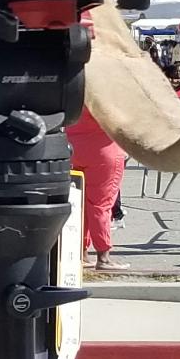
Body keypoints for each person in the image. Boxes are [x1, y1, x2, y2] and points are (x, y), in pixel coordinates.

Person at [67, 102, 131, 270]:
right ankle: (103, 256)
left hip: (72, 147)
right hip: (104, 150)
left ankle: (81, 253)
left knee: (78, 204)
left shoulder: (73, 87)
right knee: (101, 205)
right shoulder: (108, 91)